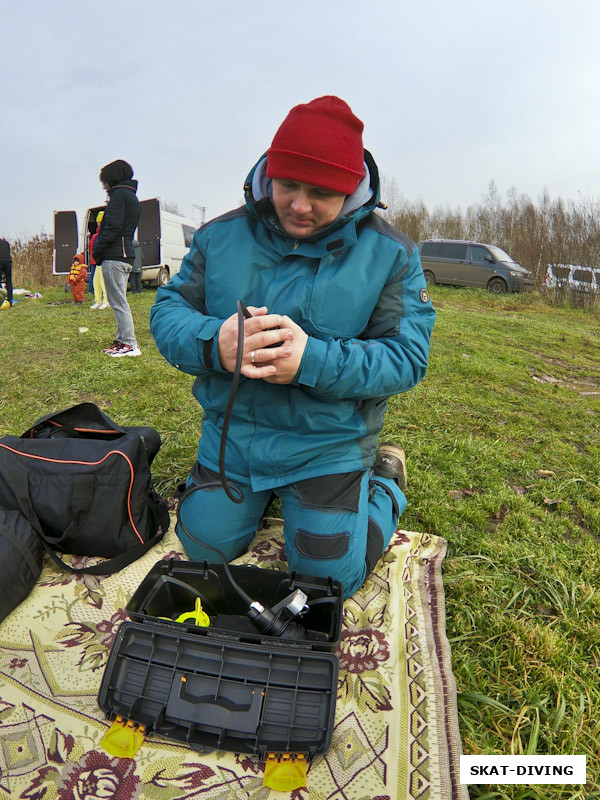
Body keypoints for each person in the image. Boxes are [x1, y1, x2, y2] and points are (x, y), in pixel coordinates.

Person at [150, 96, 436, 598]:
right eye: (288, 186)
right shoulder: (220, 236)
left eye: (321, 192)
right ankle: (246, 499)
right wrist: (212, 342)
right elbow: (167, 311)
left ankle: (385, 481)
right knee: (202, 549)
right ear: (268, 174)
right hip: (233, 436)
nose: (300, 205)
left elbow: (407, 359)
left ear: (352, 191)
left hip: (327, 443)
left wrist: (313, 361)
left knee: (328, 580)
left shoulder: (392, 254)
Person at [92, 159, 141, 357]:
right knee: (118, 300)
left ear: (112, 178)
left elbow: (112, 227)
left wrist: (97, 249)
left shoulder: (119, 196)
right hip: (124, 254)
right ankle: (122, 341)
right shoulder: (129, 196)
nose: (103, 185)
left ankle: (129, 344)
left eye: (104, 181)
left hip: (115, 255)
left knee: (118, 302)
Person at [89, 211, 110, 309]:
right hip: (98, 261)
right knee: (96, 281)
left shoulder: (106, 233)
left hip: (104, 260)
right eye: (98, 222)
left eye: (100, 222)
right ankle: (98, 301)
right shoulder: (96, 235)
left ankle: (106, 301)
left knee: (103, 281)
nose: (99, 224)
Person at [0, 237, 13, 308]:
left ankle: (0, 300)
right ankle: (10, 300)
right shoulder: (6, 243)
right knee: (9, 281)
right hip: (8, 261)